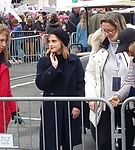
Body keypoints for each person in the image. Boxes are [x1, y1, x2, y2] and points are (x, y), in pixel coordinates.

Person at [85, 12, 134, 150]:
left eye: (110, 30)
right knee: (104, 141)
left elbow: (130, 79)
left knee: (127, 142)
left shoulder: (130, 44)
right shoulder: (98, 47)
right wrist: (91, 97)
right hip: (104, 101)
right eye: (104, 30)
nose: (107, 33)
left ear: (119, 27)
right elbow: (90, 74)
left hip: (127, 102)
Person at [35, 28, 85, 150]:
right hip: (51, 108)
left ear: (62, 43)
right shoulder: (44, 61)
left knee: (68, 143)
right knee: (50, 144)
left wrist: (77, 105)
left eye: (54, 41)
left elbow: (80, 84)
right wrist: (53, 68)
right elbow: (40, 83)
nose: (50, 44)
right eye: (49, 41)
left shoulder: (74, 60)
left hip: (68, 107)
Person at [0, 26, 23, 133]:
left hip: (2, 113)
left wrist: (14, 110)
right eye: (1, 41)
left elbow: (7, 91)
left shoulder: (4, 64)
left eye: (5, 41)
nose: (4, 45)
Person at [109, 28, 135, 106]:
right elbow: (130, 82)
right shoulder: (133, 60)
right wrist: (119, 96)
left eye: (127, 50)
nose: (128, 54)